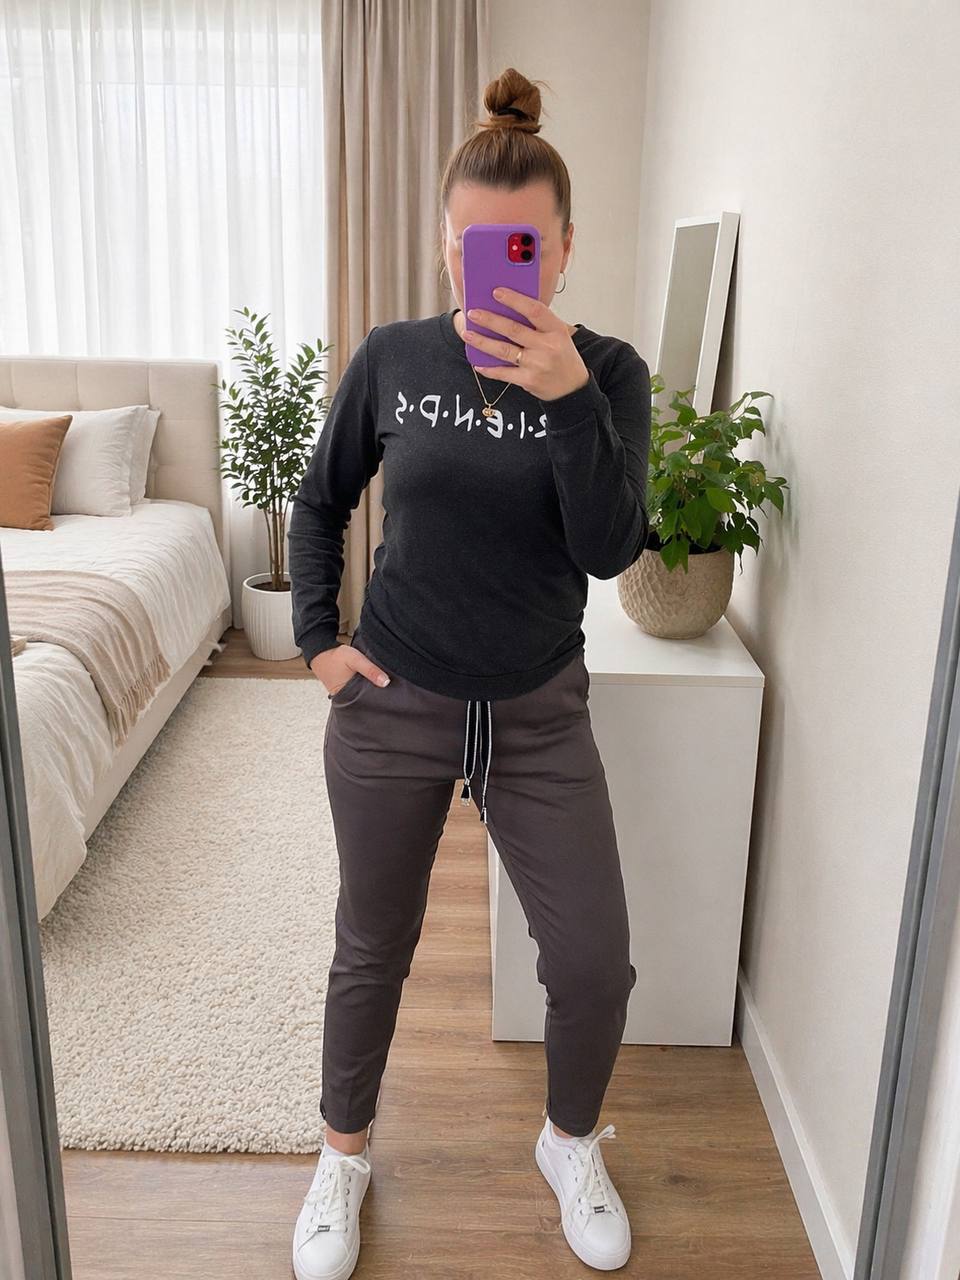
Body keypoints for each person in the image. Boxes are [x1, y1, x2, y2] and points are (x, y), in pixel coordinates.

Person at [288, 66, 650, 1279]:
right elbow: (322, 497)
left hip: (540, 710)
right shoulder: (393, 357)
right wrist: (319, 644)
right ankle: (343, 1156)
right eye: (473, 247)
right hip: (394, 699)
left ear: (563, 250)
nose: (496, 271)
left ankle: (568, 1140)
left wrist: (571, 403)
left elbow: (610, 549)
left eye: (524, 250)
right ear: (449, 248)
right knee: (372, 945)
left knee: (594, 961)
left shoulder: (610, 373)